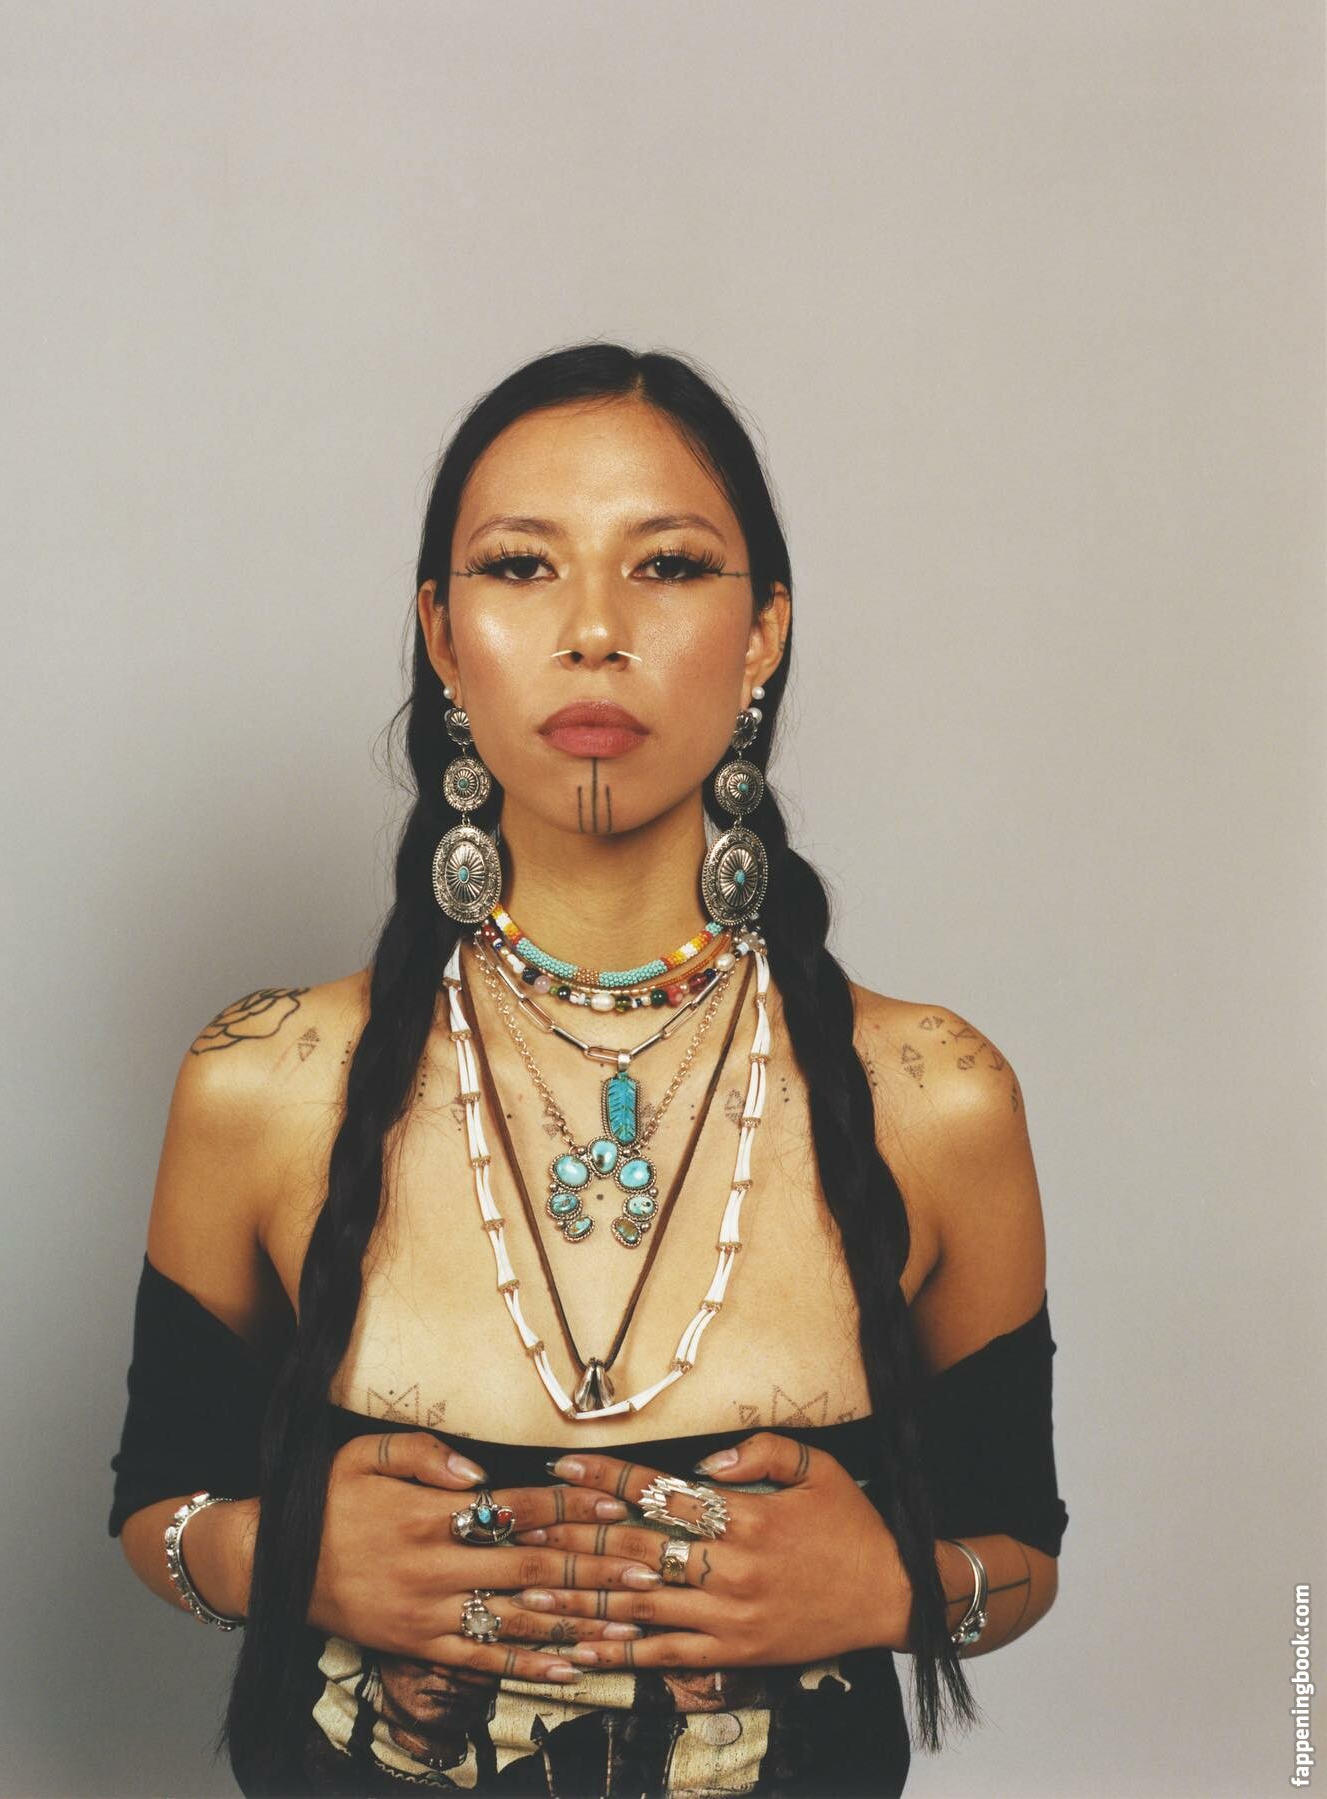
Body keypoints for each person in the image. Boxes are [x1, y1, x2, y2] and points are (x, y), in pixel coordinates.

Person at [108, 341, 1069, 1797]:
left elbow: (1022, 1547)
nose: (597, 630)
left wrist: (891, 1589)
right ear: (442, 636)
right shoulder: (263, 1083)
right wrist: (283, 1555)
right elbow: (155, 1504)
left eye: (668, 566)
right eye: (521, 567)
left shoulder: (936, 1097)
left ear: (764, 633)